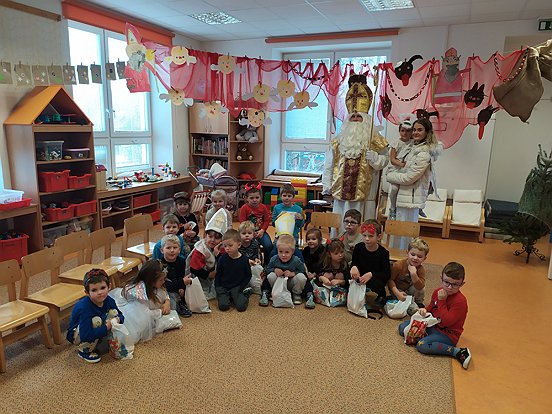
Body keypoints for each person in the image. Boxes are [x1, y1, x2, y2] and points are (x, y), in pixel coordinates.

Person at [322, 74, 388, 233]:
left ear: (366, 119)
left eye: (359, 117)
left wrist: (375, 158)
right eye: (353, 117)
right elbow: (329, 164)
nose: (356, 119)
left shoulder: (375, 139)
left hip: (365, 194)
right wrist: (327, 185)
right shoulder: (338, 141)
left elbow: (384, 161)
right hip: (340, 192)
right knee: (341, 225)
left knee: (362, 225)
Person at [399, 262, 472, 369]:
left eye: (455, 284)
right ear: (441, 278)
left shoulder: (460, 301)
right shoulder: (437, 291)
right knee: (402, 328)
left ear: (462, 284)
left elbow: (447, 322)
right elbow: (432, 307)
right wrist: (424, 310)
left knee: (422, 345)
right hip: (432, 325)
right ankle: (427, 337)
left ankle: (457, 352)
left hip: (448, 334)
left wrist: (442, 301)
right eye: (446, 282)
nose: (449, 287)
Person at [386, 118, 441, 249]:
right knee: (397, 234)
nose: (415, 132)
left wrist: (390, 176)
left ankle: (405, 259)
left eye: (420, 130)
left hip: (410, 199)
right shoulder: (413, 148)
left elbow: (409, 178)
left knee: (404, 236)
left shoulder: (424, 153)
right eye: (414, 129)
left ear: (427, 132)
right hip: (404, 196)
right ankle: (395, 257)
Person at [66, 269, 124, 363]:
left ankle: (103, 341)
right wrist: (107, 327)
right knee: (96, 320)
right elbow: (85, 335)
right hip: (79, 334)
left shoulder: (109, 300)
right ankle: (84, 351)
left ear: (109, 286)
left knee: (113, 313)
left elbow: (120, 315)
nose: (100, 292)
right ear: (87, 292)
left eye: (102, 288)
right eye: (94, 290)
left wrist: (118, 319)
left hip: (94, 328)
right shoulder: (84, 308)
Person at [116, 260, 172, 343]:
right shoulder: (141, 294)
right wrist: (161, 311)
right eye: (161, 280)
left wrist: (167, 302)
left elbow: (165, 294)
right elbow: (146, 314)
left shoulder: (157, 286)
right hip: (136, 317)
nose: (163, 282)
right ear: (151, 281)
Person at [259, 234, 314, 309]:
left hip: (291, 283)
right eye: (280, 252)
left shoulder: (296, 260)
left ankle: (296, 294)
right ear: (277, 250)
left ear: (292, 251)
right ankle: (273, 292)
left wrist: (293, 273)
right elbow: (267, 269)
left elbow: (302, 270)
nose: (283, 255)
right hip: (278, 282)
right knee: (271, 275)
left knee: (301, 277)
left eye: (287, 252)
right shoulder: (274, 259)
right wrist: (274, 270)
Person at [186, 208, 227, 299]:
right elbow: (194, 269)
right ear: (205, 235)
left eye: (217, 238)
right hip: (200, 276)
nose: (212, 240)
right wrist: (208, 275)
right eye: (210, 236)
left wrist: (218, 255)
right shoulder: (200, 250)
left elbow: (225, 263)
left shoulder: (223, 248)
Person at [350, 219, 391, 308]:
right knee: (346, 273)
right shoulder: (358, 247)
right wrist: (353, 267)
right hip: (360, 275)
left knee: (377, 284)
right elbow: (354, 263)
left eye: (371, 236)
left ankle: (381, 296)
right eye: (364, 235)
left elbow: (386, 274)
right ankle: (349, 291)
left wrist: (371, 274)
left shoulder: (383, 253)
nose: (367, 239)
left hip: (373, 277)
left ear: (379, 237)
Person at [388, 237, 429, 315]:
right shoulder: (398, 265)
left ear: (424, 258)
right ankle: (412, 305)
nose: (415, 258)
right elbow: (390, 280)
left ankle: (418, 303)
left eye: (420, 257)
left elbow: (420, 287)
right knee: (409, 306)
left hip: (411, 290)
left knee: (422, 287)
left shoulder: (420, 269)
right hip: (398, 290)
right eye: (412, 254)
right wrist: (397, 293)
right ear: (407, 253)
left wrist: (414, 274)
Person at [215, 229, 252, 312]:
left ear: (239, 245)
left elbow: (248, 275)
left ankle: (244, 294)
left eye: (230, 245)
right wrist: (218, 287)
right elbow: (218, 274)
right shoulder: (222, 258)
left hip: (237, 287)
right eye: (225, 246)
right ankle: (230, 296)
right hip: (224, 287)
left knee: (241, 307)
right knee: (223, 306)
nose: (227, 248)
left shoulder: (244, 259)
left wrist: (241, 287)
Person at [238, 183, 272, 264]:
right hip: (247, 232)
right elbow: (242, 222)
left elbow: (267, 220)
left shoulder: (263, 207)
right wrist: (251, 233)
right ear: (247, 199)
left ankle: (267, 264)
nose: (254, 200)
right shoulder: (244, 208)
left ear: (260, 198)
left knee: (268, 246)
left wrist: (262, 230)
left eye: (257, 197)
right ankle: (245, 261)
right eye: (251, 198)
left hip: (261, 232)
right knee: (240, 245)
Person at [160, 234, 192, 317]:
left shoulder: (181, 261)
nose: (172, 250)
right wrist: (181, 283)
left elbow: (181, 276)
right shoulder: (160, 264)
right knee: (172, 307)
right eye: (168, 248)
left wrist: (182, 287)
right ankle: (178, 303)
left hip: (177, 286)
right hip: (165, 289)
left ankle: (180, 302)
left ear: (179, 250)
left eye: (175, 247)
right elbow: (164, 286)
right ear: (162, 250)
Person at [386, 118, 413, 220]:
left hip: (408, 171)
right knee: (394, 189)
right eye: (402, 130)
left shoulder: (413, 143)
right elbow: (392, 159)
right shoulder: (395, 143)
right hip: (395, 170)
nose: (405, 133)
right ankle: (392, 207)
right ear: (399, 131)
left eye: (408, 131)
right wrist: (402, 164)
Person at [270, 183, 304, 261]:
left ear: (293, 197)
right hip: (280, 236)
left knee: (297, 254)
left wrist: (300, 219)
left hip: (293, 236)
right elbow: (273, 224)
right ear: (280, 196)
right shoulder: (277, 208)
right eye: (284, 195)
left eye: (289, 196)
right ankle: (269, 266)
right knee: (273, 252)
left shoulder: (298, 209)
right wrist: (278, 218)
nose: (286, 198)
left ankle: (302, 266)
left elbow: (300, 225)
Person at [238, 220, 263, 294]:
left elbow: (255, 255)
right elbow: (237, 258)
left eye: (249, 233)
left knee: (259, 268)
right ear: (239, 234)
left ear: (253, 234)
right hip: (241, 265)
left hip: (252, 264)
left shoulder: (255, 243)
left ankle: (257, 287)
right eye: (244, 233)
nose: (247, 235)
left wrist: (256, 259)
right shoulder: (238, 245)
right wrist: (247, 261)